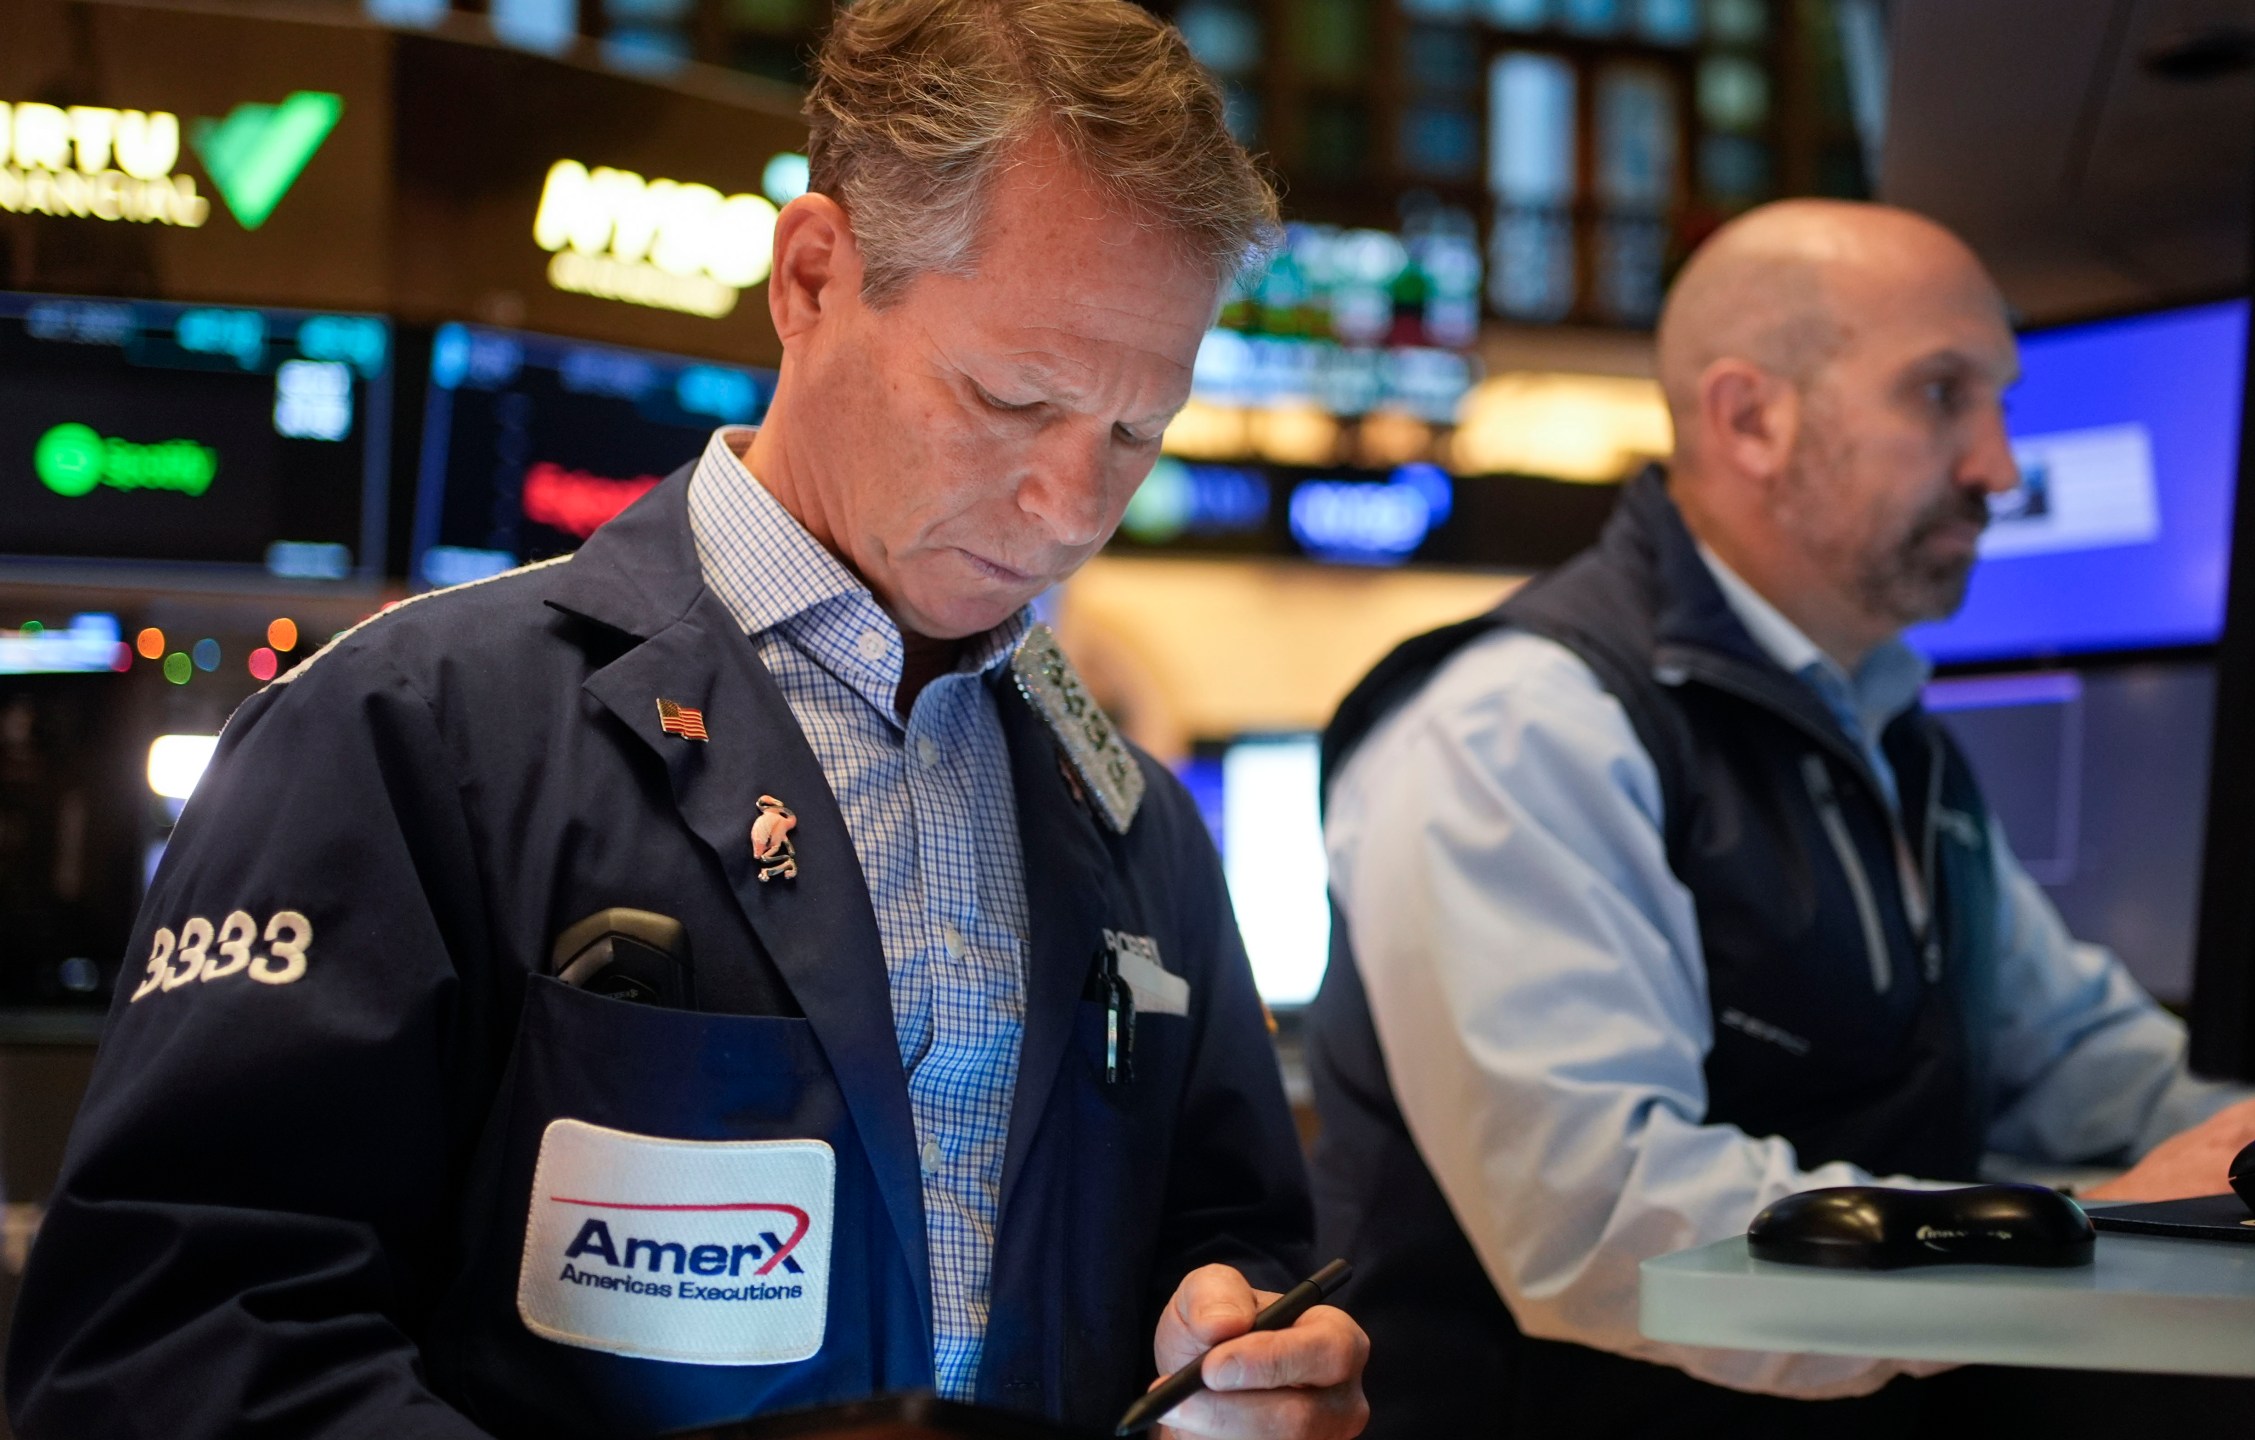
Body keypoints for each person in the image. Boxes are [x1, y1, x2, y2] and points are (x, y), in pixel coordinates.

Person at [5, 3, 1368, 1437]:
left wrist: (1246, 1362)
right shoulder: (408, 733)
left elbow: (1234, 1237)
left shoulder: (1131, 824)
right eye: (1010, 397)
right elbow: (169, 1345)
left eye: (1137, 430)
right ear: (813, 277)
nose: (1077, 504)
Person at [1305, 198, 2255, 1439]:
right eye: (1942, 394)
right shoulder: (1522, 726)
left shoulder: (1894, 739)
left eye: (1999, 401)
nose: (1999, 465)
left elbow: (2076, 1059)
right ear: (1751, 417)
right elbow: (1604, 1224)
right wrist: (2087, 1215)